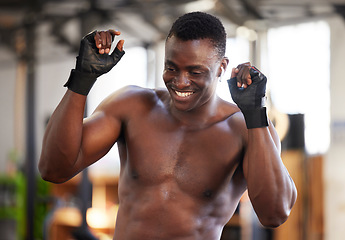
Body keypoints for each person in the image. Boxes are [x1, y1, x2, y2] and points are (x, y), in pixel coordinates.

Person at [39, 11, 297, 240]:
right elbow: (54, 169)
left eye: (195, 72)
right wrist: (81, 80)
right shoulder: (132, 106)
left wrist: (255, 116)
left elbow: (274, 214)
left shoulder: (243, 129)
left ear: (221, 67)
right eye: (171, 68)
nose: (180, 82)